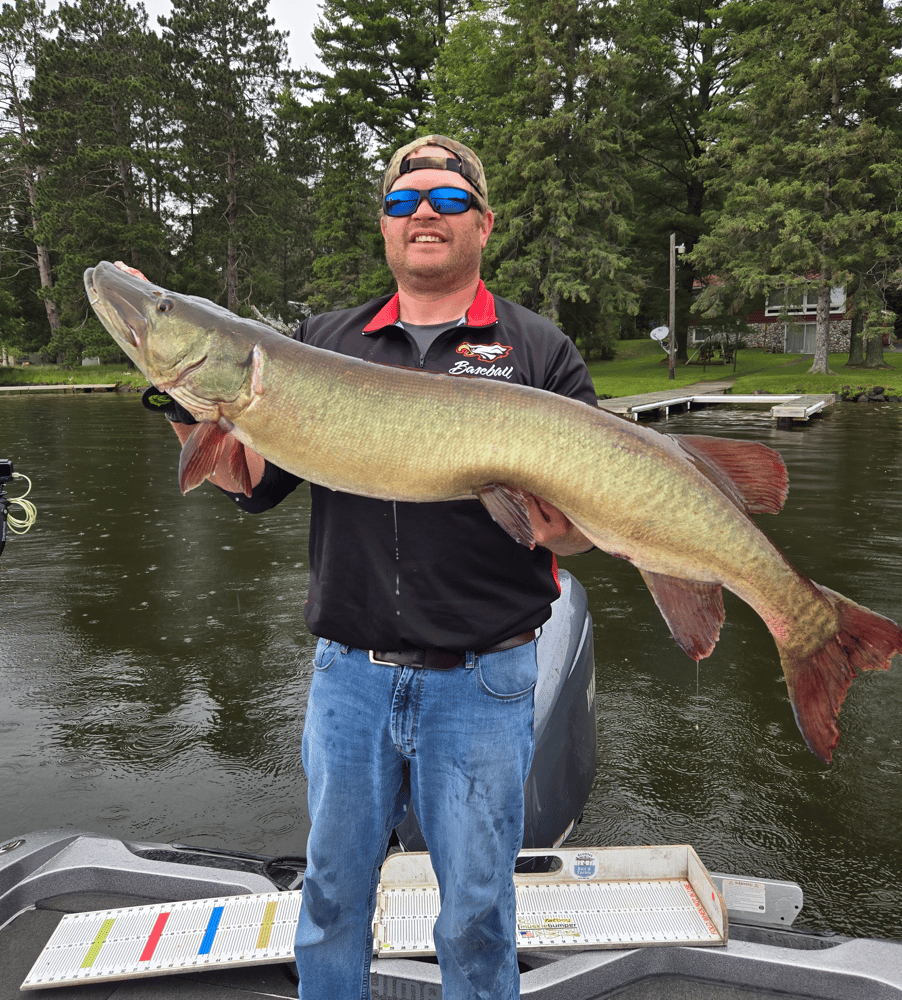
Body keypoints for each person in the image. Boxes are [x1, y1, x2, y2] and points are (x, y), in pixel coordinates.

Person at [147, 135, 597, 1000]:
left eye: (446, 199)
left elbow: (573, 534)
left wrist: (558, 524)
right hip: (347, 681)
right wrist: (182, 396)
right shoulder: (322, 342)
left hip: (485, 681)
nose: (422, 212)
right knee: (329, 900)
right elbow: (250, 481)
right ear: (385, 231)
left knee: (476, 912)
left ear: (483, 224)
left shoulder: (538, 351)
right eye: (402, 202)